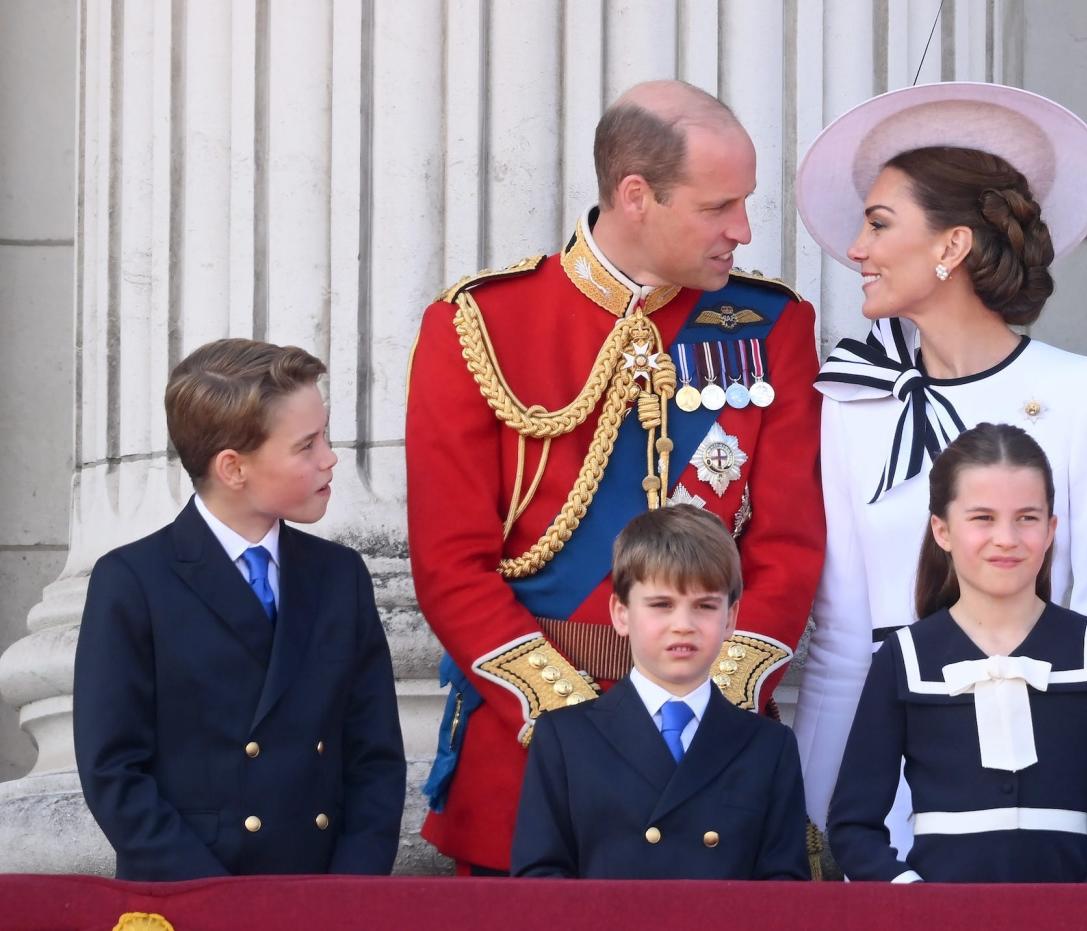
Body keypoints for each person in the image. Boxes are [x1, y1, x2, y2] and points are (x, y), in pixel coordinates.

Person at [406, 79, 824, 874]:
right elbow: (449, 566)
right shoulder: (480, 324)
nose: (743, 229)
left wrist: (711, 703)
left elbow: (789, 546)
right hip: (534, 759)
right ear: (637, 196)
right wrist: (581, 728)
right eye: (718, 206)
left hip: (714, 753)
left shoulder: (773, 326)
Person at [791, 82, 1087, 858]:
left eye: (879, 224)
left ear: (951, 247)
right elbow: (844, 634)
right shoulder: (852, 400)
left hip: (1037, 779)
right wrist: (819, 802)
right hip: (886, 778)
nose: (857, 248)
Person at [74, 339, 406, 881]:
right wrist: (215, 905)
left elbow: (375, 758)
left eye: (325, 435)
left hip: (321, 898)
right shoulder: (133, 581)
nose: (330, 457)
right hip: (191, 897)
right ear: (233, 468)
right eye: (306, 445)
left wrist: (350, 894)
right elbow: (114, 773)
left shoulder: (339, 576)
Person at [828, 423, 1087, 882]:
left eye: (1027, 517)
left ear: (1051, 529)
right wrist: (913, 900)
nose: (1007, 538)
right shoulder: (902, 657)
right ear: (942, 530)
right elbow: (852, 827)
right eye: (983, 518)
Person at [510, 505, 809, 879]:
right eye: (661, 605)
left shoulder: (768, 747)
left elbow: (783, 894)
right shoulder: (566, 739)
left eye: (704, 606)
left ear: (731, 618)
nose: (682, 625)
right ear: (621, 613)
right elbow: (540, 885)